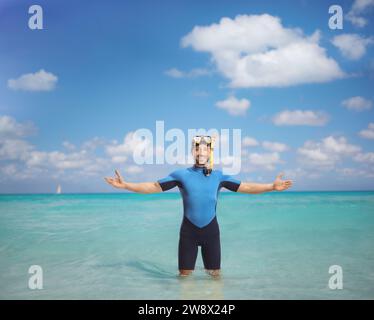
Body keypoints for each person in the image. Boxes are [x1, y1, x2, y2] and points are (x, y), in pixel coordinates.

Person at [104, 136, 293, 278]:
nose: (201, 153)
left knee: (215, 279)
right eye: (197, 149)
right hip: (189, 233)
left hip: (211, 233)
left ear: (210, 153)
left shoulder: (219, 176)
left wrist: (271, 186)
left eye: (205, 150)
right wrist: (126, 185)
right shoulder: (181, 175)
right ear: (192, 152)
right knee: (184, 280)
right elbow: (153, 187)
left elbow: (247, 187)